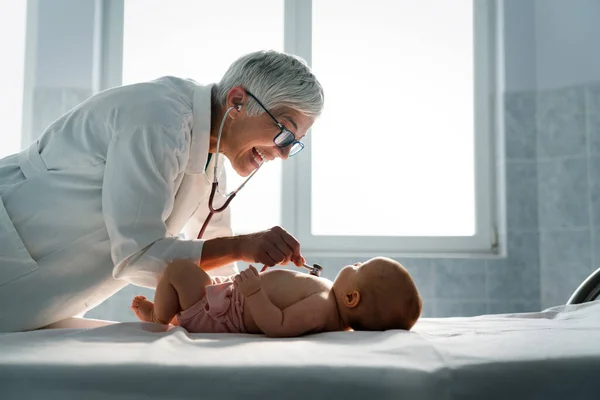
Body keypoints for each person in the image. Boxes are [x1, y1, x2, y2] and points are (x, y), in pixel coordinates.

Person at [0, 50, 324, 332]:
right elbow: (138, 254)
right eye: (283, 132)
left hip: (42, 287)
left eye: (293, 144)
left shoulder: (211, 160)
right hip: (13, 234)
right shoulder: (159, 119)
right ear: (237, 101)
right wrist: (242, 247)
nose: (282, 154)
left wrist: (241, 305)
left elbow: (217, 252)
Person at [130, 257, 423, 337]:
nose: (353, 263)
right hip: (230, 296)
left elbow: (278, 325)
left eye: (359, 266)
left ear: (351, 298)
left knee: (179, 271)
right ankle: (167, 311)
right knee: (185, 273)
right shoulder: (327, 301)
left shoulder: (322, 309)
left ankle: (159, 317)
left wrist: (255, 291)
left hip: (219, 312)